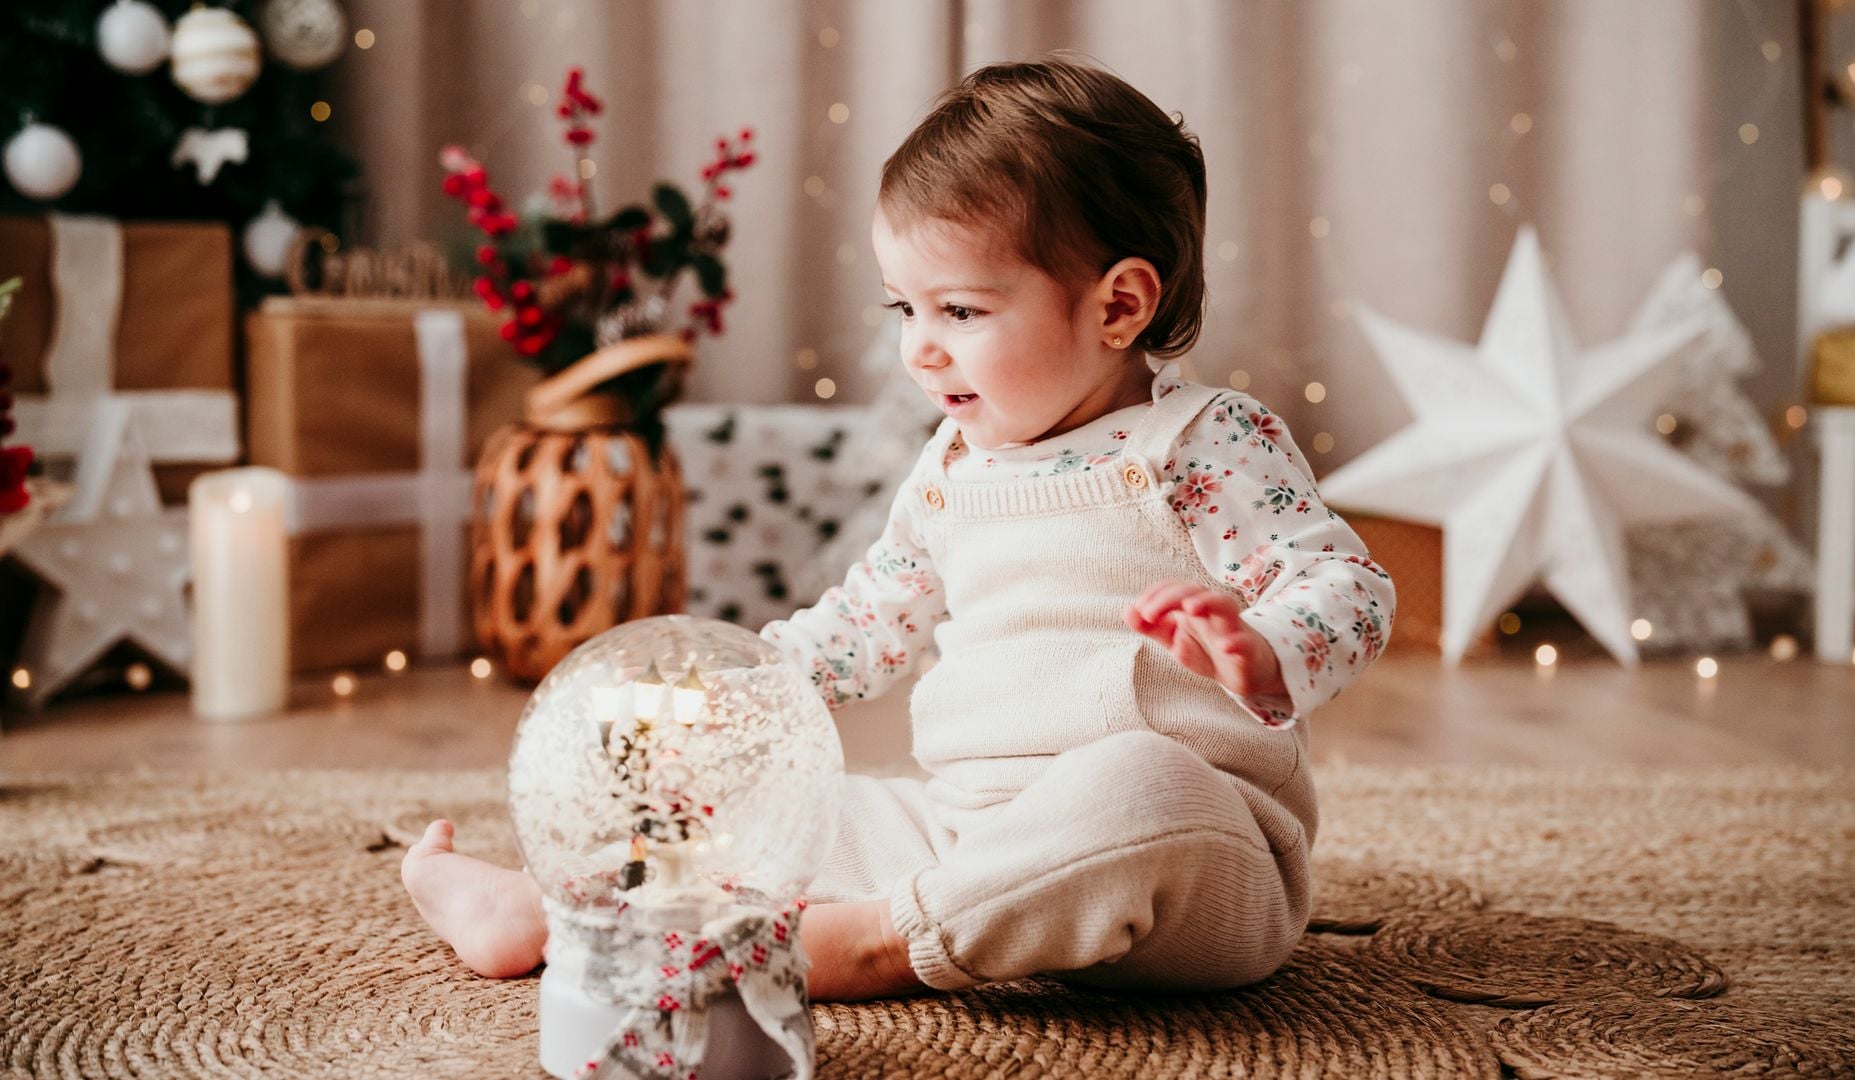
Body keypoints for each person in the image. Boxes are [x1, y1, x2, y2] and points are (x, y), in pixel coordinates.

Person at [404, 54, 1394, 1001]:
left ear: (1119, 305)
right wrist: (741, 699)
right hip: (964, 836)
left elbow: (1347, 587)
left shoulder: (1203, 442)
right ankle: (548, 911)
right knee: (792, 811)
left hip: (1190, 856)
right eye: (903, 308)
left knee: (1141, 785)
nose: (920, 350)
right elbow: (864, 623)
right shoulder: (952, 466)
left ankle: (877, 942)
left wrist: (1262, 650)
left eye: (959, 309)